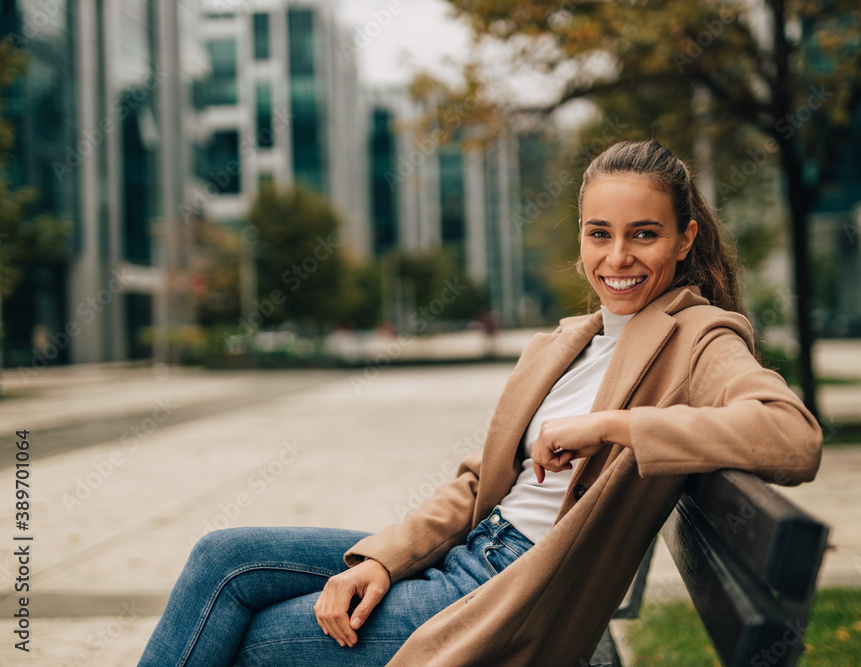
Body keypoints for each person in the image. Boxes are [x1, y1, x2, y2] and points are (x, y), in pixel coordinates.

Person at [138, 139, 823, 666]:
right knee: (220, 557)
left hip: (509, 592)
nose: (619, 256)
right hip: (466, 554)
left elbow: (792, 435)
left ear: (684, 240)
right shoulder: (567, 343)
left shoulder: (697, 336)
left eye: (643, 233)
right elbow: (474, 485)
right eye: (599, 232)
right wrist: (382, 560)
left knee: (252, 642)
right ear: (581, 238)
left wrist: (615, 425)